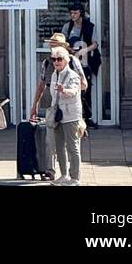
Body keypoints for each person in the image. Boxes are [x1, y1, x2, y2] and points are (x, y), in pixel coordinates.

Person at [29, 33, 87, 179]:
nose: (52, 47)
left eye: (56, 44)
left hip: (70, 109)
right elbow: (41, 85)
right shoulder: (48, 64)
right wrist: (35, 105)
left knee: (72, 145)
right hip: (54, 107)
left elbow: (83, 84)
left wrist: (67, 90)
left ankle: (74, 176)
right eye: (51, 44)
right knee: (52, 142)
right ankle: (52, 171)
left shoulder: (72, 62)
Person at [46, 44, 83, 185]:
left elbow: (74, 91)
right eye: (53, 59)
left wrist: (64, 90)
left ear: (66, 60)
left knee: (72, 146)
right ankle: (64, 175)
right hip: (58, 116)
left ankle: (75, 178)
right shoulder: (54, 74)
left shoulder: (73, 75)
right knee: (59, 146)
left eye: (59, 59)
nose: (56, 62)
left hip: (71, 115)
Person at [62, 2, 100, 126]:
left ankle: (86, 117)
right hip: (71, 61)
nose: (73, 15)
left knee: (85, 89)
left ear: (81, 13)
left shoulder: (89, 26)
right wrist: (69, 49)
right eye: (71, 13)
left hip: (85, 62)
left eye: (75, 13)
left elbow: (95, 44)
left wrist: (85, 50)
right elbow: (63, 43)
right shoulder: (68, 27)